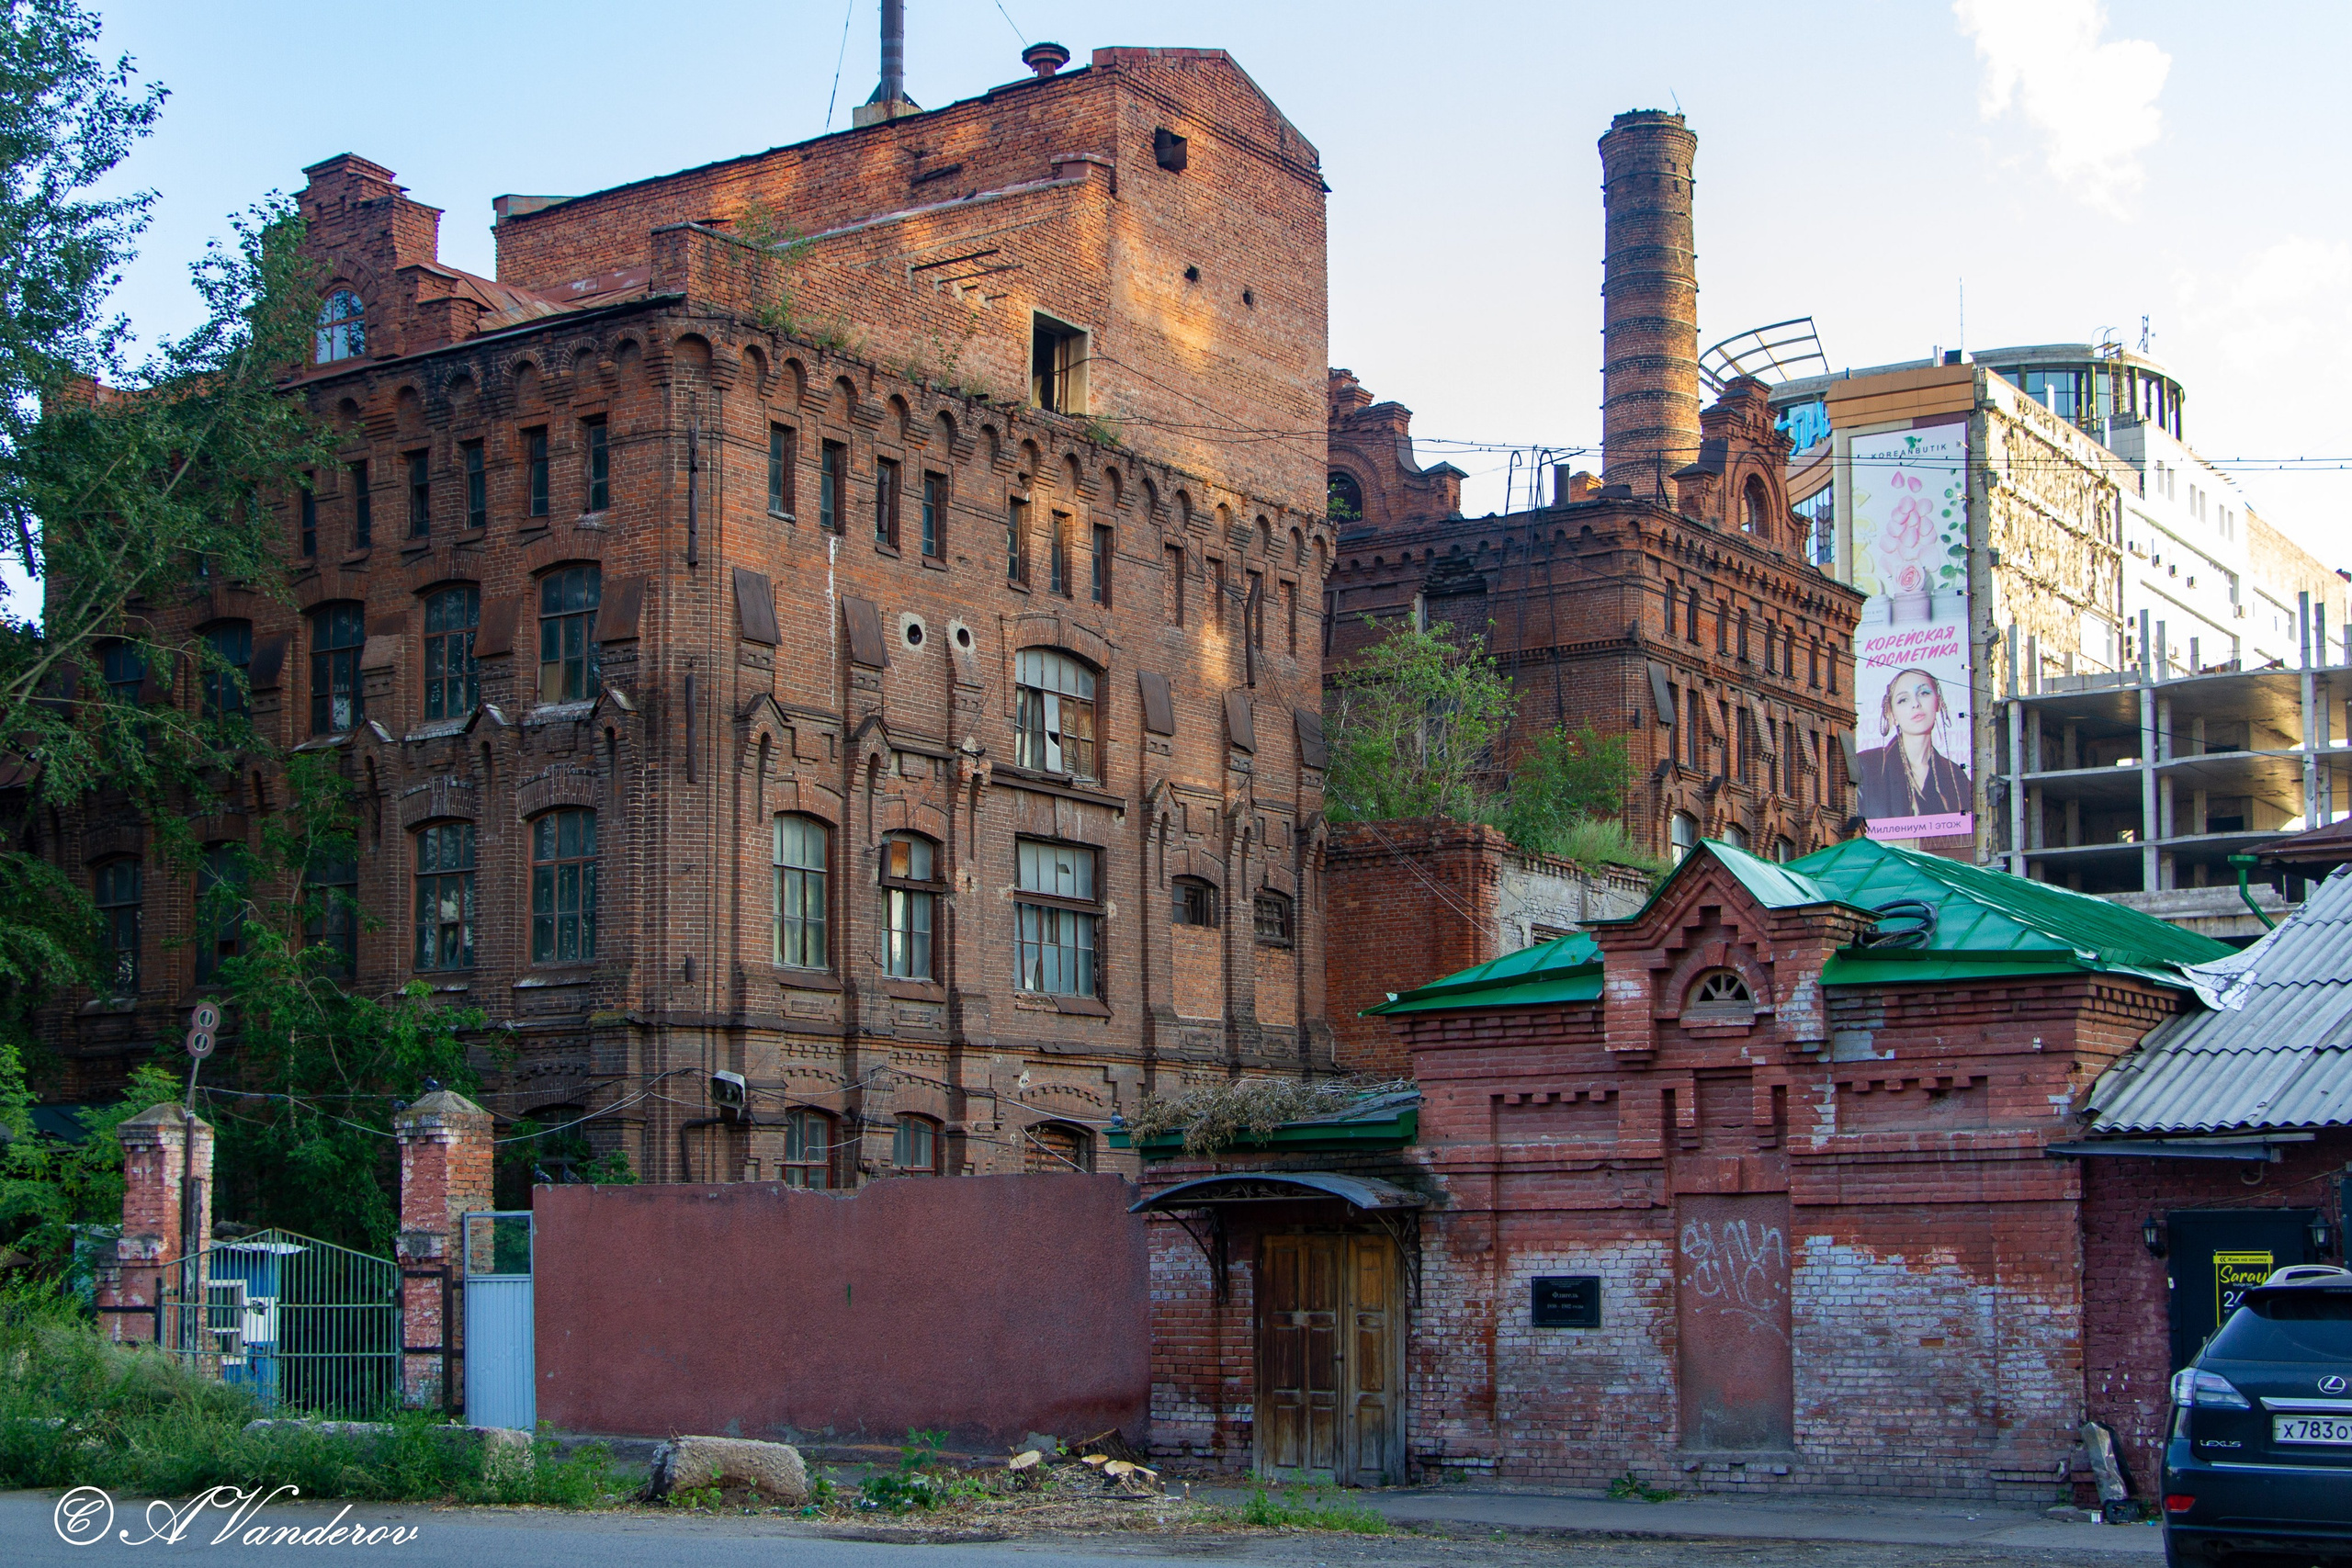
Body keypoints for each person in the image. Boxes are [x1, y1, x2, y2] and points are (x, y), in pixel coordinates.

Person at [1857, 666, 1971, 821]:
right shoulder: (1866, 766)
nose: (1915, 704)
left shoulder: (1956, 776)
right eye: (1903, 699)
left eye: (1924, 693)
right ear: (1892, 714)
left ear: (1938, 702)